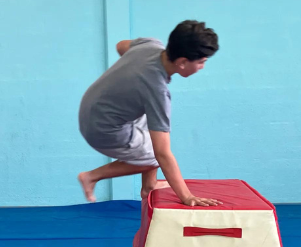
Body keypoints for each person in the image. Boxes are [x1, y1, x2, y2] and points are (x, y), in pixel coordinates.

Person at [77, 20, 222, 207]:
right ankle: (91, 176)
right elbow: (162, 154)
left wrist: (131, 74)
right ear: (182, 63)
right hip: (101, 128)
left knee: (153, 128)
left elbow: (121, 46)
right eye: (201, 62)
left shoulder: (150, 45)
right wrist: (187, 196)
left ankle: (149, 186)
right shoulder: (157, 91)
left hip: (90, 106)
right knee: (155, 155)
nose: (203, 66)